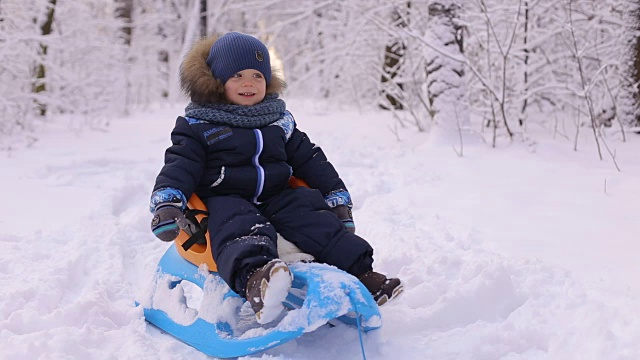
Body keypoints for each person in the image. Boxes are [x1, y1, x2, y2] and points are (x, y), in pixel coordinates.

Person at [149, 32, 402, 324]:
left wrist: (337, 199)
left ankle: (361, 274)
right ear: (217, 82)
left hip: (276, 195)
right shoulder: (198, 126)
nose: (249, 83)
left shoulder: (279, 122)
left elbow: (311, 161)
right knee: (238, 224)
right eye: (238, 75)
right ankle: (258, 280)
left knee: (311, 213)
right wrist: (167, 203)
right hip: (222, 199)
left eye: (258, 75)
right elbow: (180, 165)